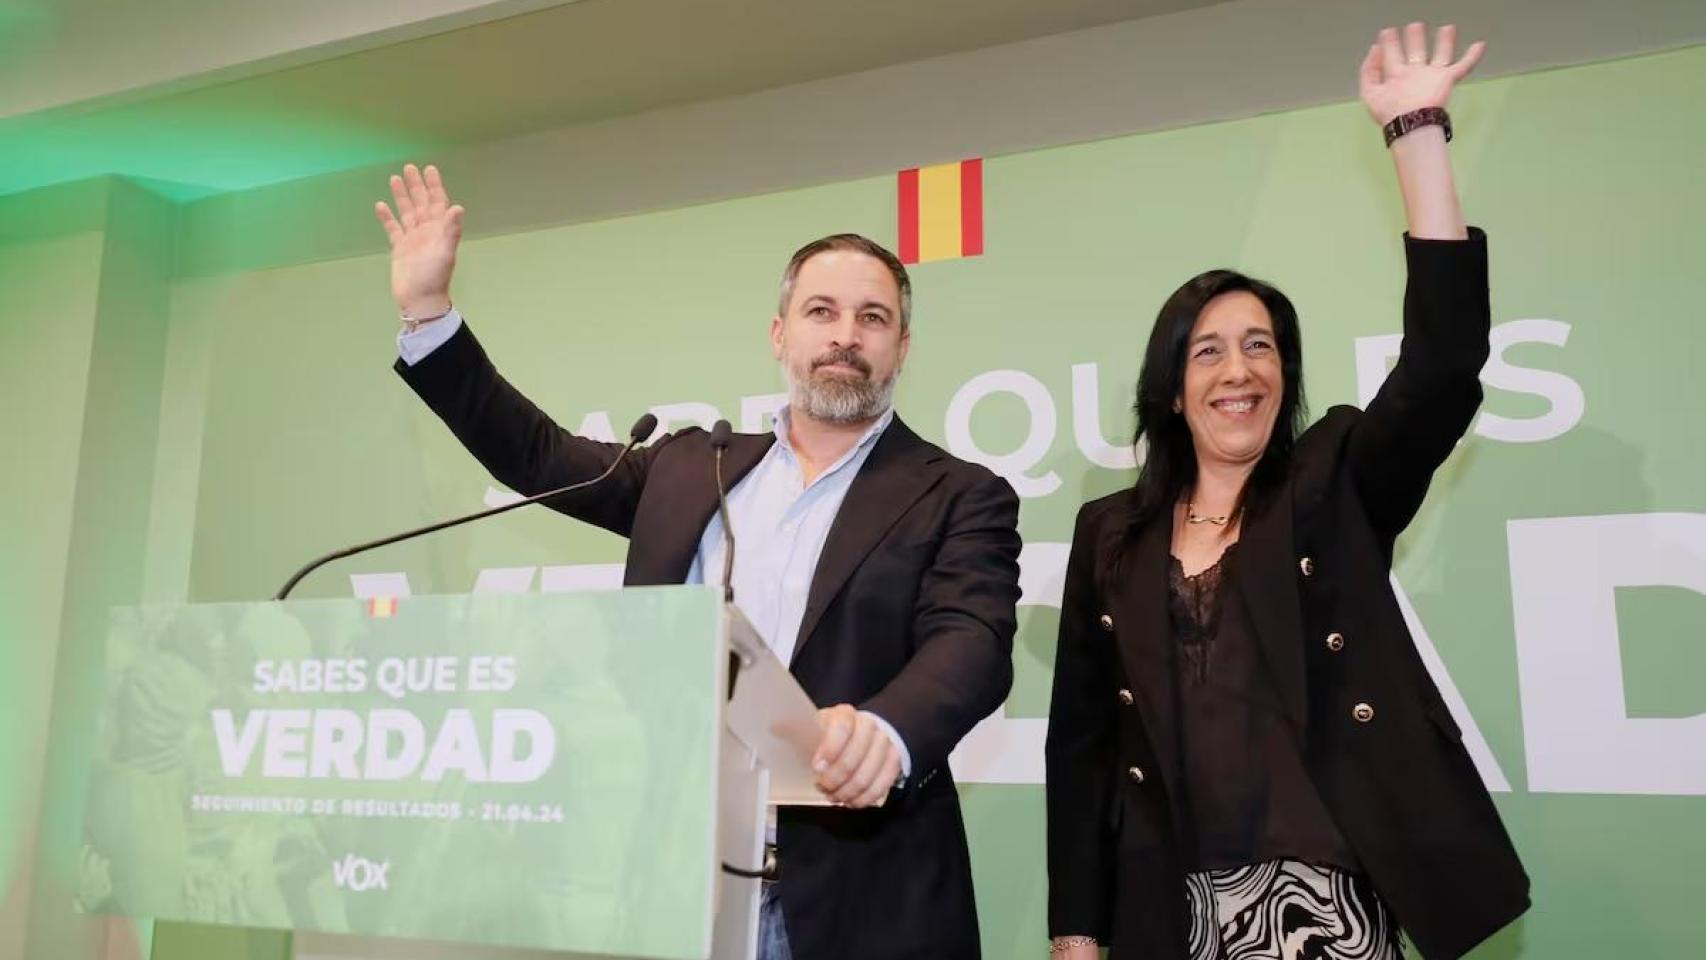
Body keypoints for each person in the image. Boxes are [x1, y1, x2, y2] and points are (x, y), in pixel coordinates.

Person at [373, 168, 1021, 960]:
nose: (845, 335)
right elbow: (536, 455)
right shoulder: (691, 467)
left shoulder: (960, 494)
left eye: (872, 317)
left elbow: (973, 643)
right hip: (678, 883)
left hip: (860, 898)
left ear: (902, 347)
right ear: (780, 334)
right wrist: (428, 313)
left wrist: (888, 730)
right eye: (821, 312)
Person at [1045, 23, 1529, 960]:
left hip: (1328, 912)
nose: (1239, 370)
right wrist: (1075, 926)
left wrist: (1416, 133)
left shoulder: (1332, 481)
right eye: (1210, 349)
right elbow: (1084, 745)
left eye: (1261, 344)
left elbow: (1441, 365)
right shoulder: (1108, 533)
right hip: (1166, 913)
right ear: (1173, 389)